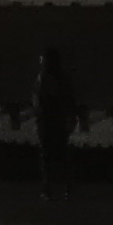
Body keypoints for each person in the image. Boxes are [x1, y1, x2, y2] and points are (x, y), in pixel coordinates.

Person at [30, 43, 81, 199]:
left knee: (47, 156)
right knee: (60, 156)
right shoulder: (61, 78)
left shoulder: (43, 78)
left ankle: (49, 188)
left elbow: (38, 99)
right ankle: (64, 188)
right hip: (56, 121)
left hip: (48, 121)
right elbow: (69, 100)